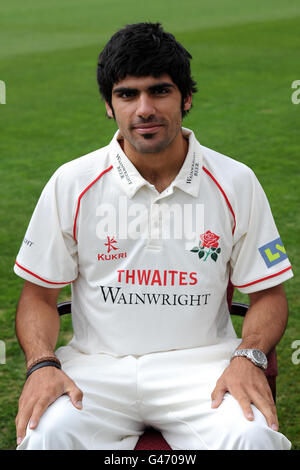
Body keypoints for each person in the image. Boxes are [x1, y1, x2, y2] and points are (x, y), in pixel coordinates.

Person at [14, 22, 293, 450]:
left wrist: (249, 355)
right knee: (47, 434)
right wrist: (41, 364)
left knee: (251, 437)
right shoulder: (72, 181)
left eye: (160, 91)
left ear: (187, 97)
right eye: (127, 94)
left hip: (202, 368)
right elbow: (38, 295)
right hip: (96, 370)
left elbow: (269, 294)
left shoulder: (236, 181)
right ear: (109, 105)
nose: (144, 108)